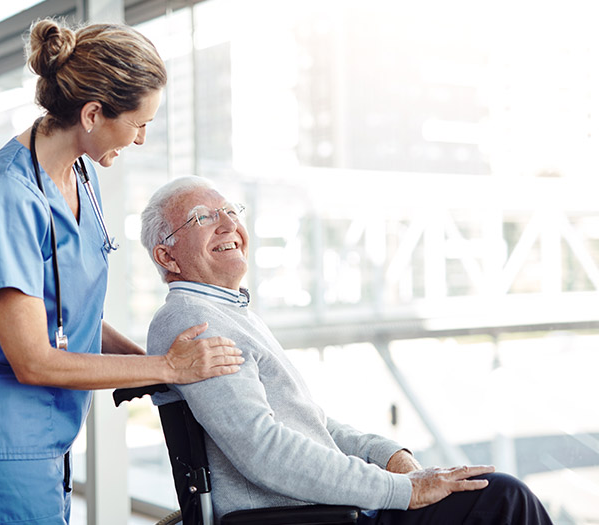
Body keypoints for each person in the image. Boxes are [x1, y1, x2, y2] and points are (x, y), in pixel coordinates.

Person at [0, 21, 243, 525]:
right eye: (139, 124)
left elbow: (68, 315)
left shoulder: (82, 174)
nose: (140, 139)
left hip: (47, 423)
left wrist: (154, 365)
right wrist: (167, 368)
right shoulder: (7, 195)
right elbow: (32, 358)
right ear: (93, 113)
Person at [141, 176, 553, 524]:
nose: (228, 224)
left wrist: (389, 456)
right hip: (311, 516)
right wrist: (402, 491)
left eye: (231, 212)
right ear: (167, 256)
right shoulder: (192, 319)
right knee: (502, 498)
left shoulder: (227, 311)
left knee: (486, 491)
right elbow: (264, 449)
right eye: (203, 217)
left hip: (327, 508)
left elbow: (313, 425)